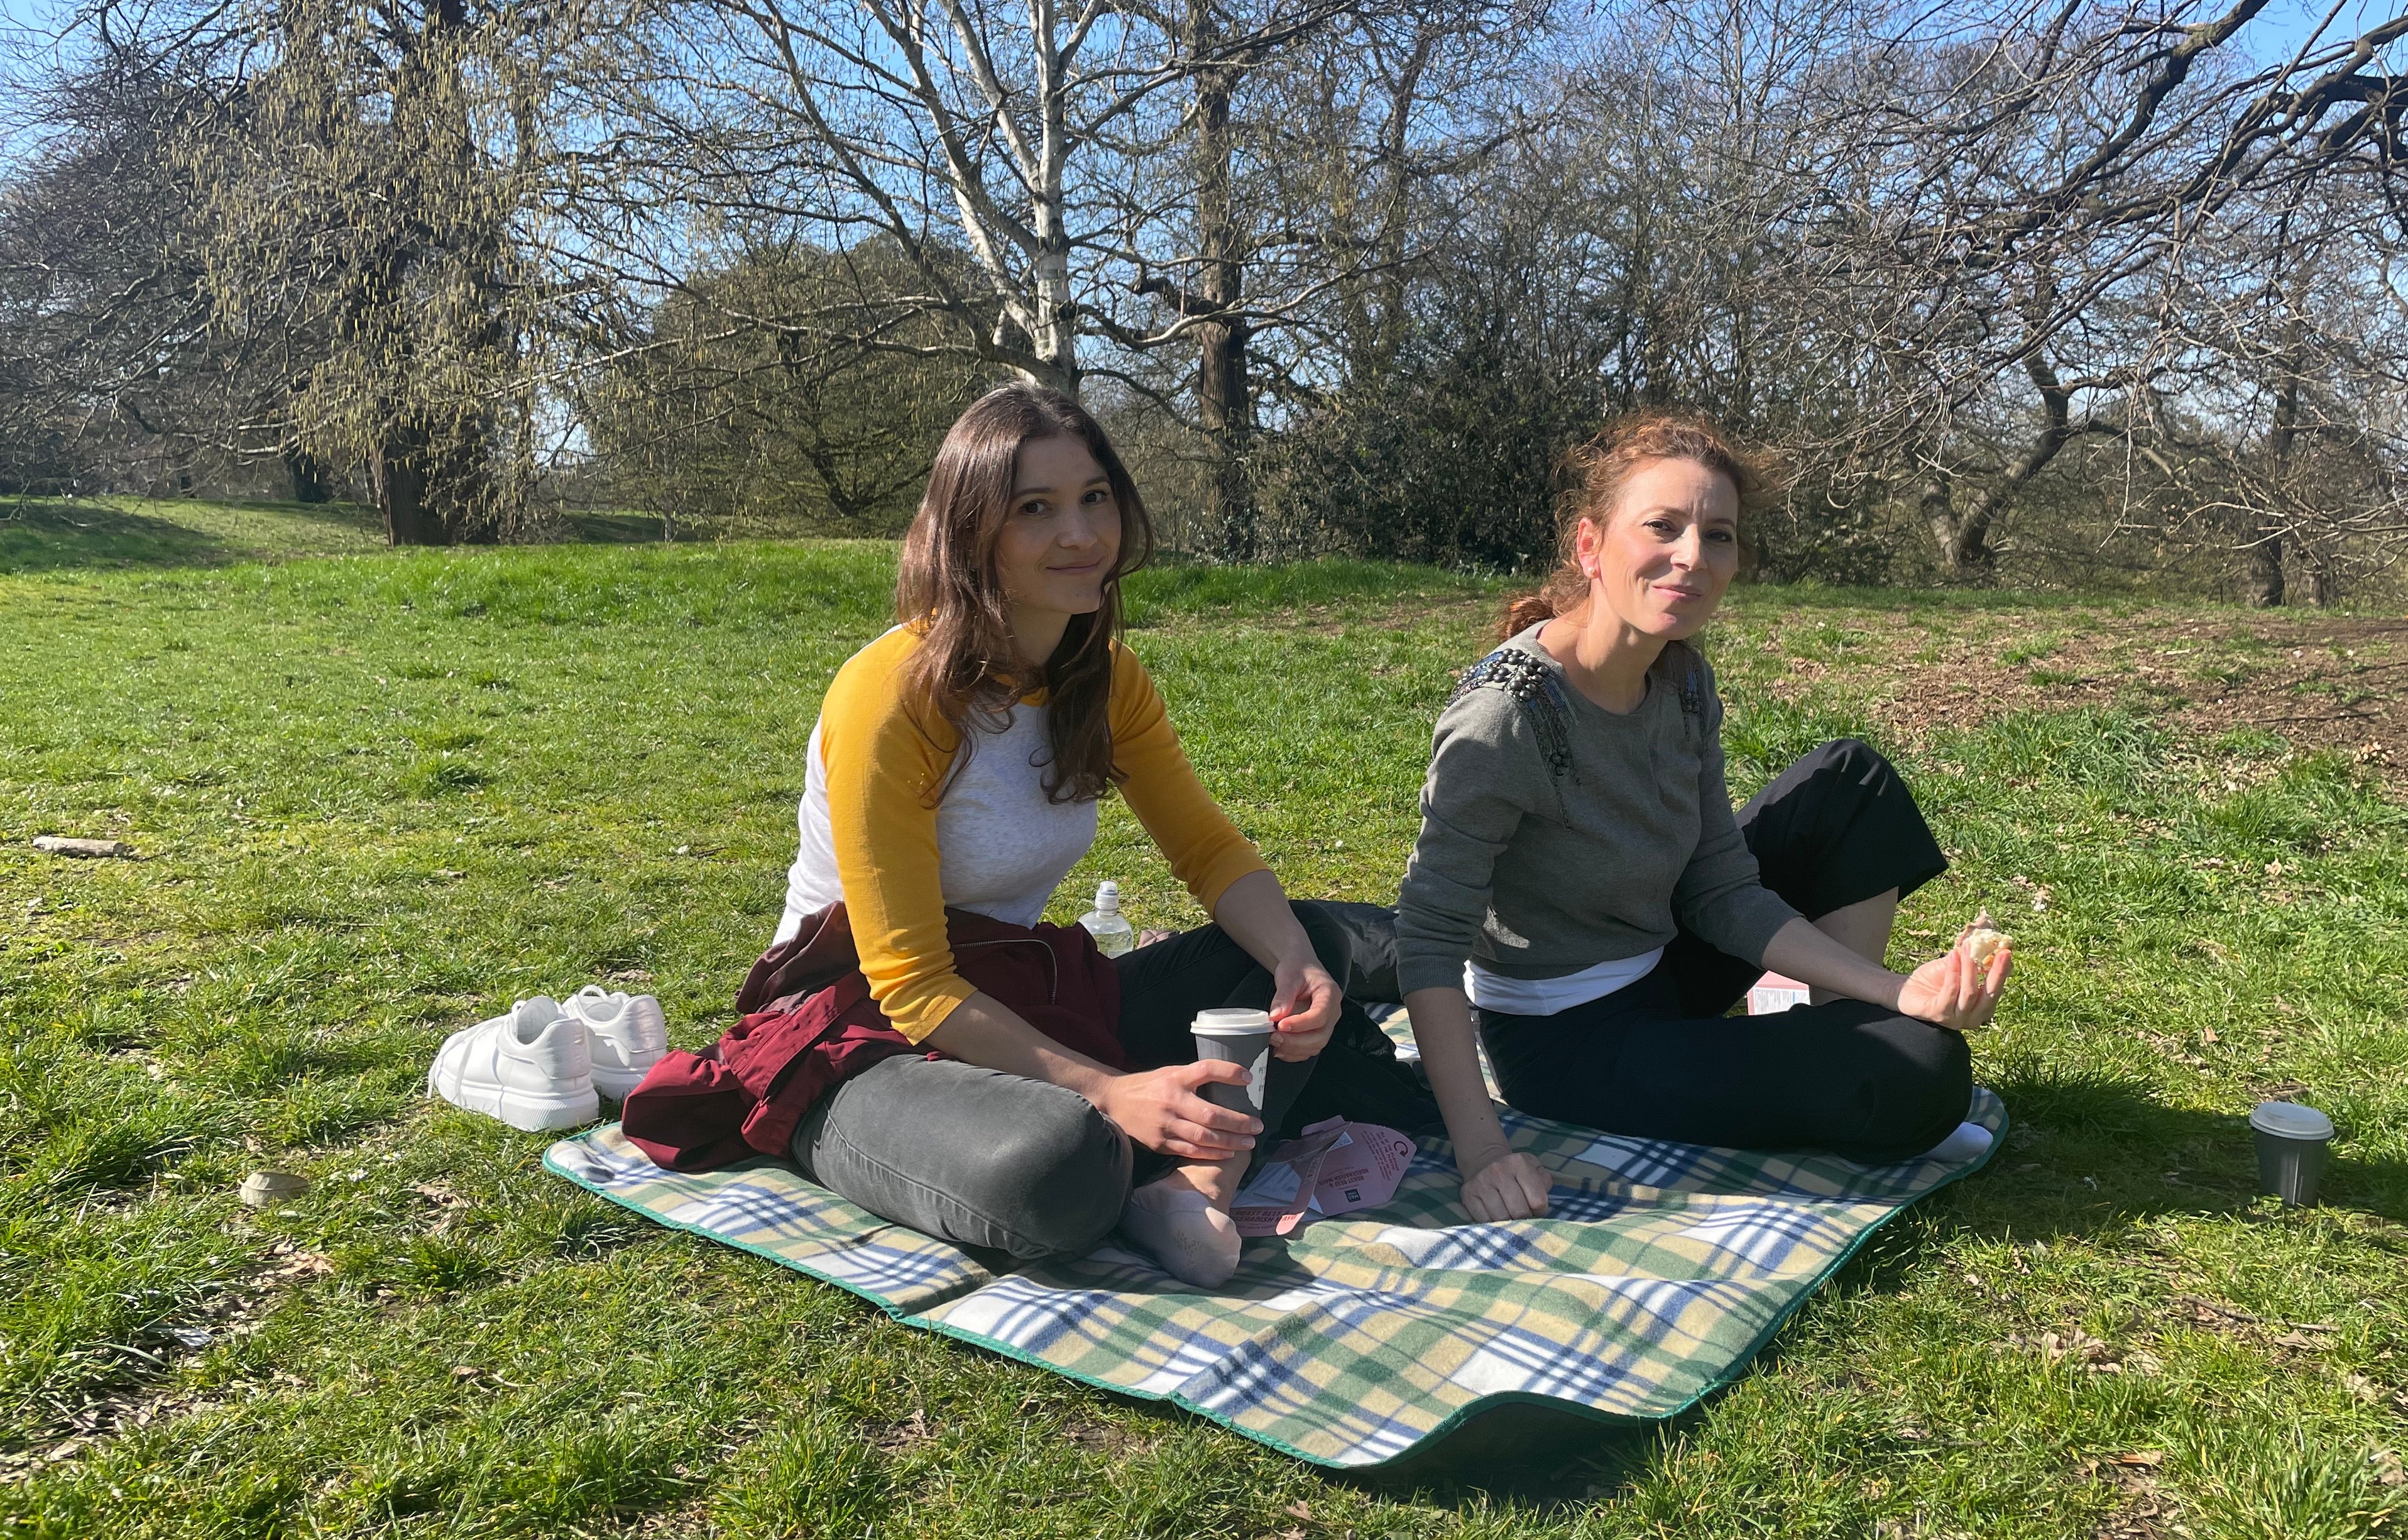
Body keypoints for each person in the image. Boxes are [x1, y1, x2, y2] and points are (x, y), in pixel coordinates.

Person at [774, 380, 1415, 1285]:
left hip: (1017, 994)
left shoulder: (1104, 676)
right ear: (971, 532)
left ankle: (1193, 1188)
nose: (1081, 536)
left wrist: (1295, 963)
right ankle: (1097, 1151)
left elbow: (1207, 851)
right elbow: (911, 983)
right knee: (1050, 1168)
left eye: (1095, 499)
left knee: (1303, 945)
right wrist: (1108, 1092)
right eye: (1035, 509)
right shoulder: (892, 697)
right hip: (858, 1028)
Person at [1394, 413, 2012, 1223]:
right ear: (1591, 546)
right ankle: (1827, 1054)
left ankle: (1836, 1027)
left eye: (1716, 536)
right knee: (1922, 1072)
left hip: (1661, 963)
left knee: (1849, 780)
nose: (1692, 557)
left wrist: (1894, 993)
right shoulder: (1507, 720)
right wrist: (1482, 1150)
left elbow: (1722, 887)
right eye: (1663, 527)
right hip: (1567, 1042)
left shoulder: (1683, 683)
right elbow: (1427, 940)